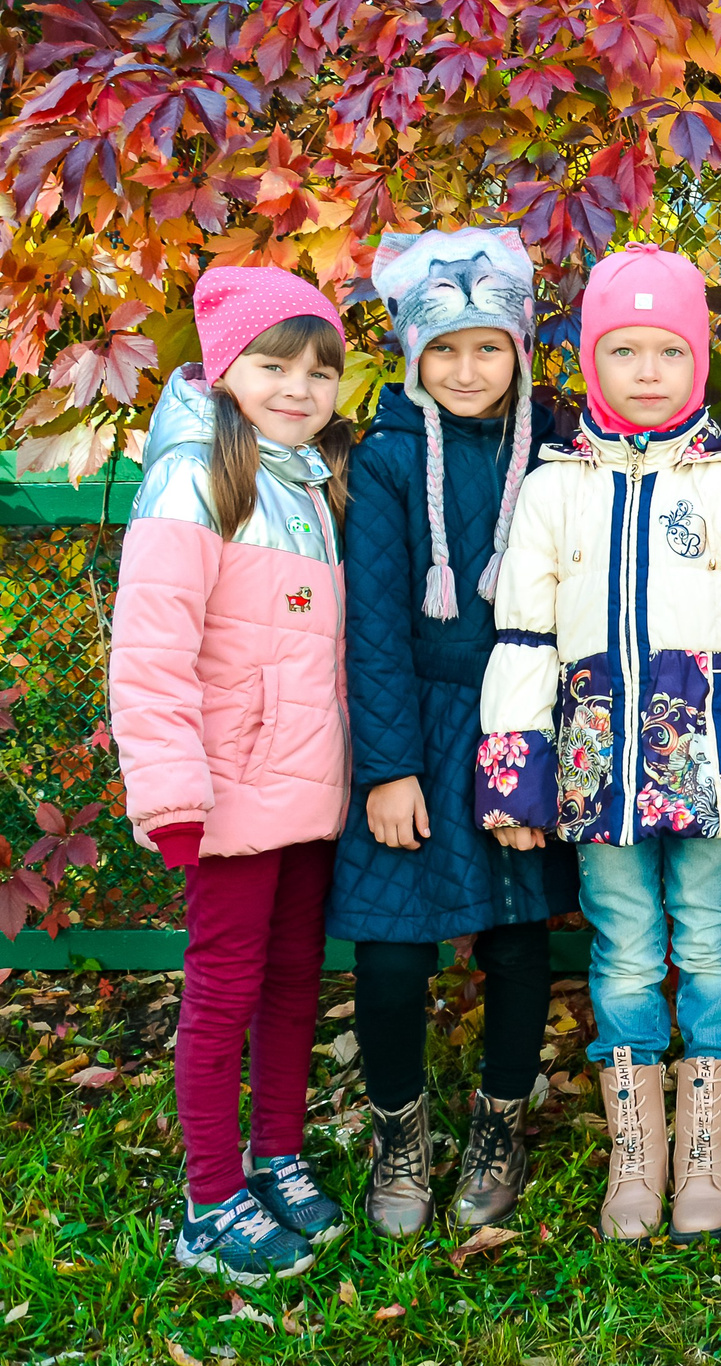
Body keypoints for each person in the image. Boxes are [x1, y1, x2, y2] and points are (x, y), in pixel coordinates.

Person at [476, 244, 721, 1244]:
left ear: (698, 362)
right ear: (590, 362)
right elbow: (525, 635)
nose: (645, 371)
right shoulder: (555, 485)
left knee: (712, 933)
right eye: (622, 350)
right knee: (625, 947)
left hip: (705, 759)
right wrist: (514, 767)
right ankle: (639, 1150)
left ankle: (707, 1146)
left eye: (668, 350)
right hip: (596, 769)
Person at [109, 268, 357, 1283]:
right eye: (272, 365)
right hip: (227, 792)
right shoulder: (197, 478)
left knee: (297, 979)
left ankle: (279, 1154)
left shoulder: (312, 483)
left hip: (304, 787)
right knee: (224, 988)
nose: (298, 387)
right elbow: (151, 649)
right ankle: (210, 1196)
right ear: (226, 370)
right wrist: (171, 792)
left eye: (319, 369)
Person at [333, 228, 580, 1234]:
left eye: (488, 346)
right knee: (393, 953)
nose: (467, 368)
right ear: (410, 355)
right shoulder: (387, 458)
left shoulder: (560, 450)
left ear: (521, 348)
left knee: (519, 941)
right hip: (419, 726)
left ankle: (498, 1123)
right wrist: (389, 767)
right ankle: (399, 1133)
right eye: (443, 349)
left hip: (520, 722)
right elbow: (376, 626)